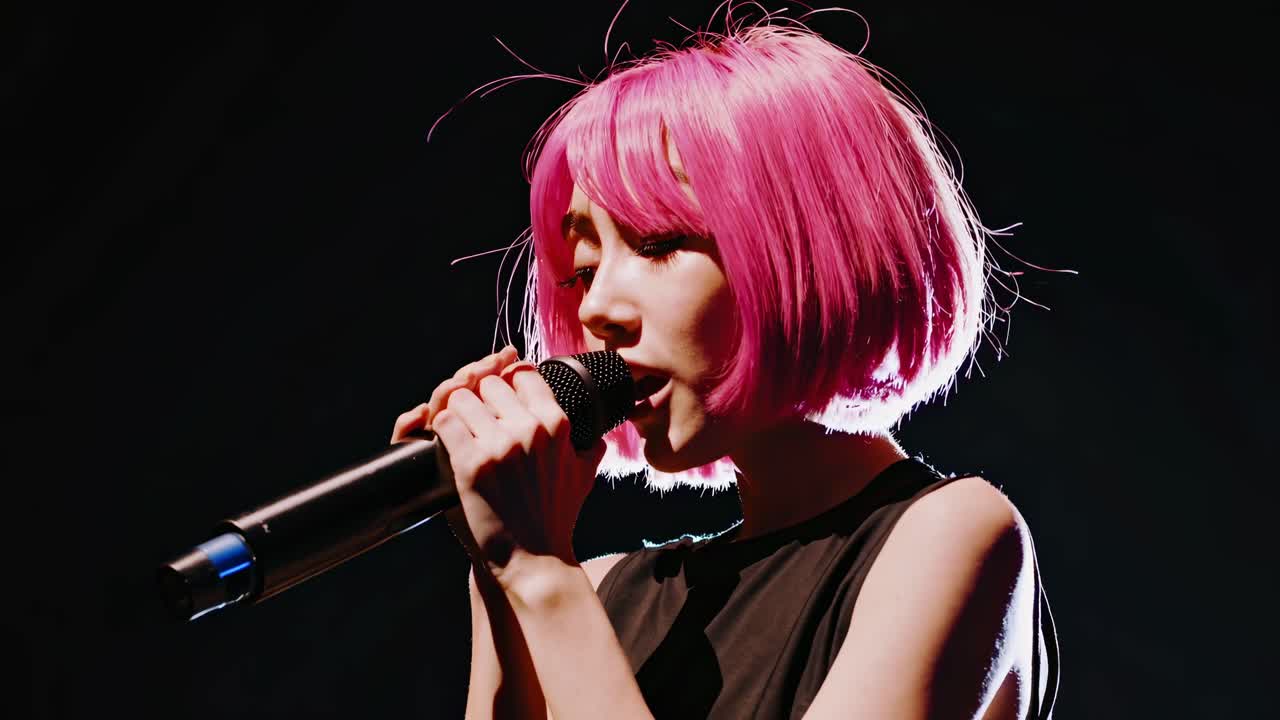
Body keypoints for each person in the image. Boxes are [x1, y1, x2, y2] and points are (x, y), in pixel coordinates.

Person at [391, 10, 1059, 719]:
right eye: (583, 270)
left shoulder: (951, 534)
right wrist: (499, 575)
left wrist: (539, 575)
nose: (596, 311)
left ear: (810, 246)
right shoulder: (600, 593)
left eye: (656, 245)